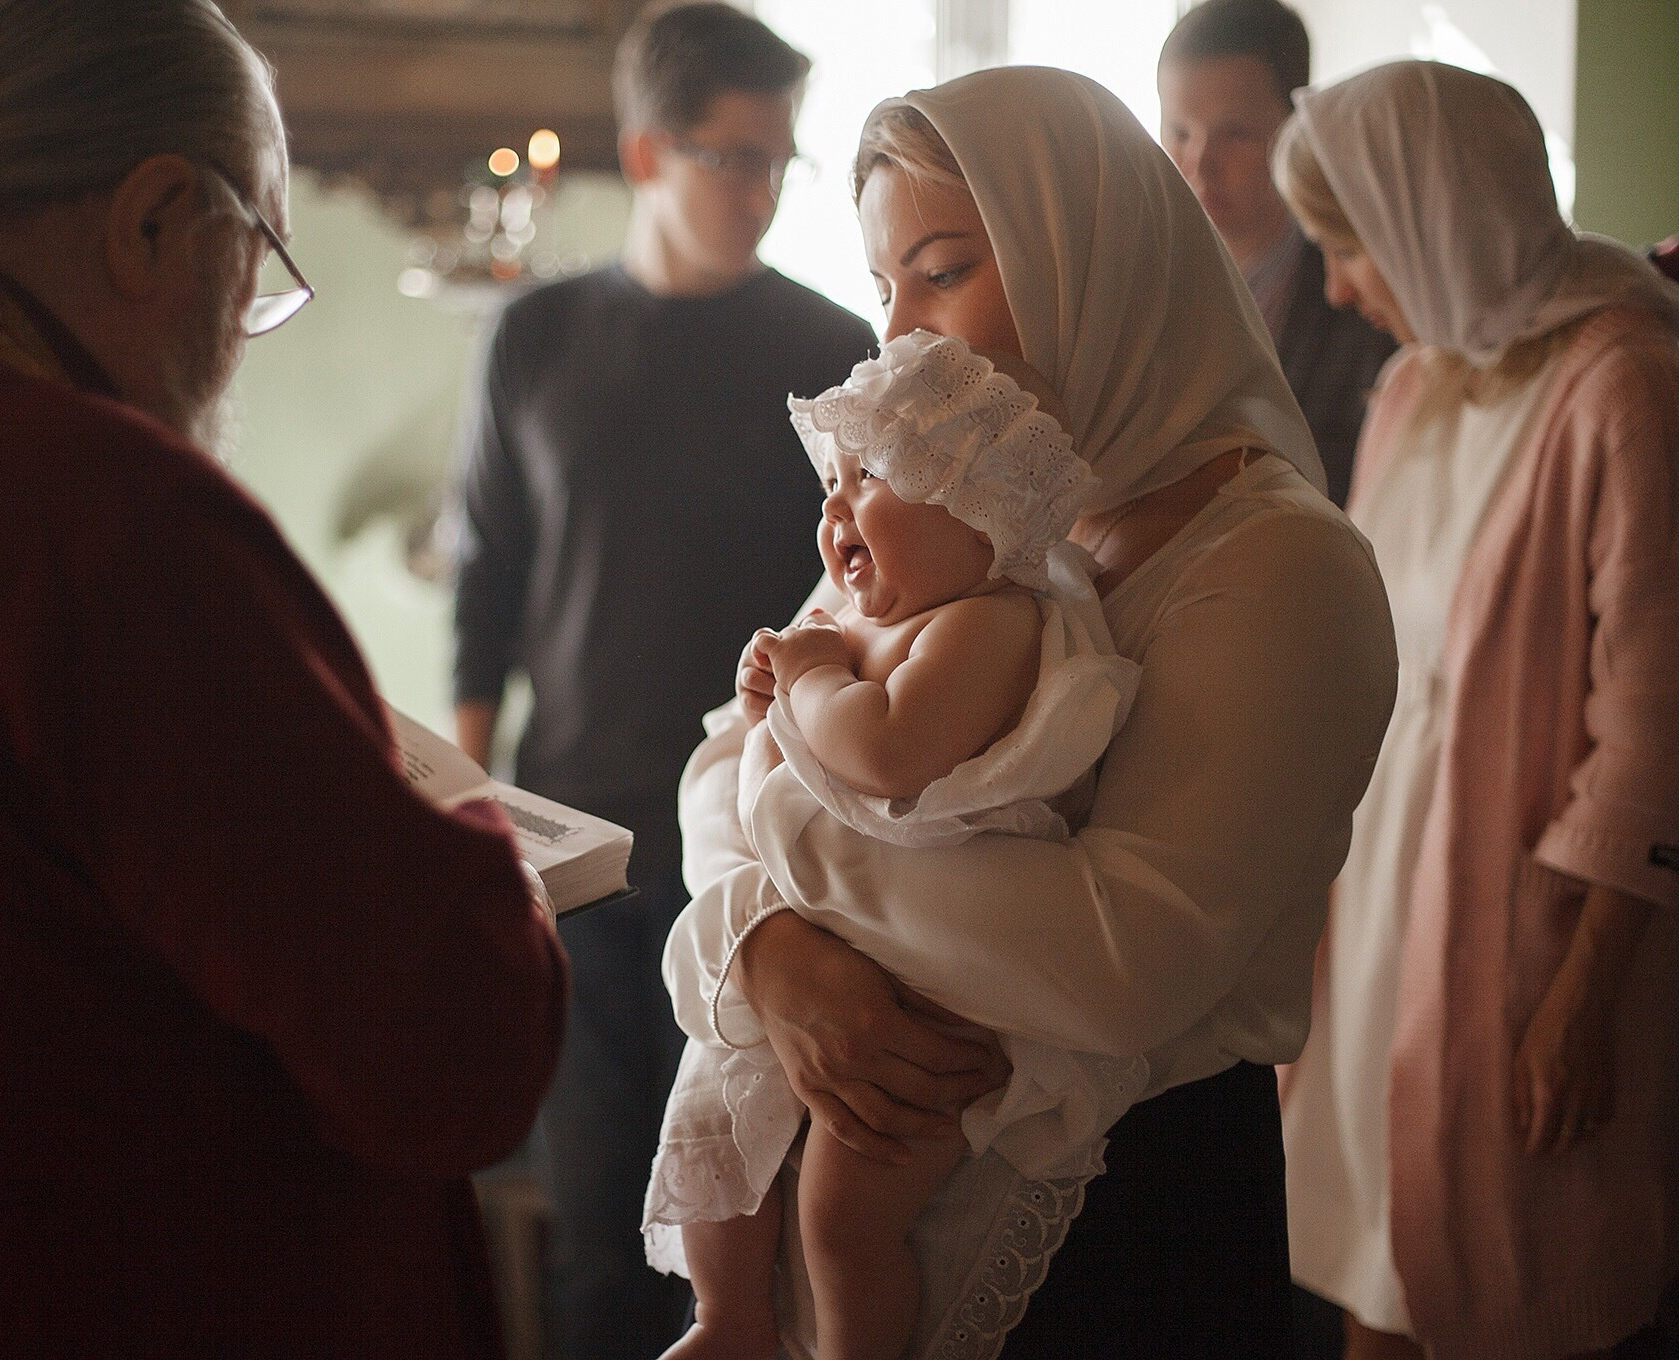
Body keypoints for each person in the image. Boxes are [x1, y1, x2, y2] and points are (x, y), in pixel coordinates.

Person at [0, 3, 567, 1357]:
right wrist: (485, 844)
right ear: (150, 219)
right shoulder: (101, 513)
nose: (245, 329)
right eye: (255, 257)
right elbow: (446, 1052)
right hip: (72, 1297)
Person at [668, 68, 1399, 1357]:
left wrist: (782, 882)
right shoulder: (957, 502)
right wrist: (763, 947)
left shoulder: (1281, 565)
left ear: (1093, 258)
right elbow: (728, 749)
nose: (905, 334)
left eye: (942, 270)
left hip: (1123, 1227)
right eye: (887, 283)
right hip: (890, 1177)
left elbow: (1118, 960)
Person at [448, 3, 877, 1353]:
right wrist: (465, 820)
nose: (758, 193)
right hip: (573, 866)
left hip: (764, 865)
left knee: (742, 1249)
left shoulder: (829, 351)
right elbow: (487, 590)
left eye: (777, 162)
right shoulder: (535, 341)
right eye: (731, 159)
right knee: (590, 1245)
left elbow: (872, 603)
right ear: (646, 153)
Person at [1272, 60, 1679, 1360]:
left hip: (1530, 929)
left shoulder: (1626, 385)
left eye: (1349, 247)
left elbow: (1657, 729)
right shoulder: (1419, 384)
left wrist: (1581, 995)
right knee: (1370, 1252)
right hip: (1385, 898)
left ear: (1432, 215)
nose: (1339, 285)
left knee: (1513, 1275)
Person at [644, 330, 1141, 1360]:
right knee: (717, 1104)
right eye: (833, 480)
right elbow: (746, 763)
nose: (834, 510)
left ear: (979, 505)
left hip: (931, 986)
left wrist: (813, 681)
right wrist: (769, 695)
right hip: (823, 934)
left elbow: (888, 749)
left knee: (840, 1205)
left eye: (870, 477)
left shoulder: (986, 622)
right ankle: (728, 1318)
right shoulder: (860, 613)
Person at [1158, 0, 1395, 505]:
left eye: (1235, 134)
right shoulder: (1138, 280)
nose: (1199, 163)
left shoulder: (1362, 293)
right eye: (1180, 132)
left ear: (1293, 128)